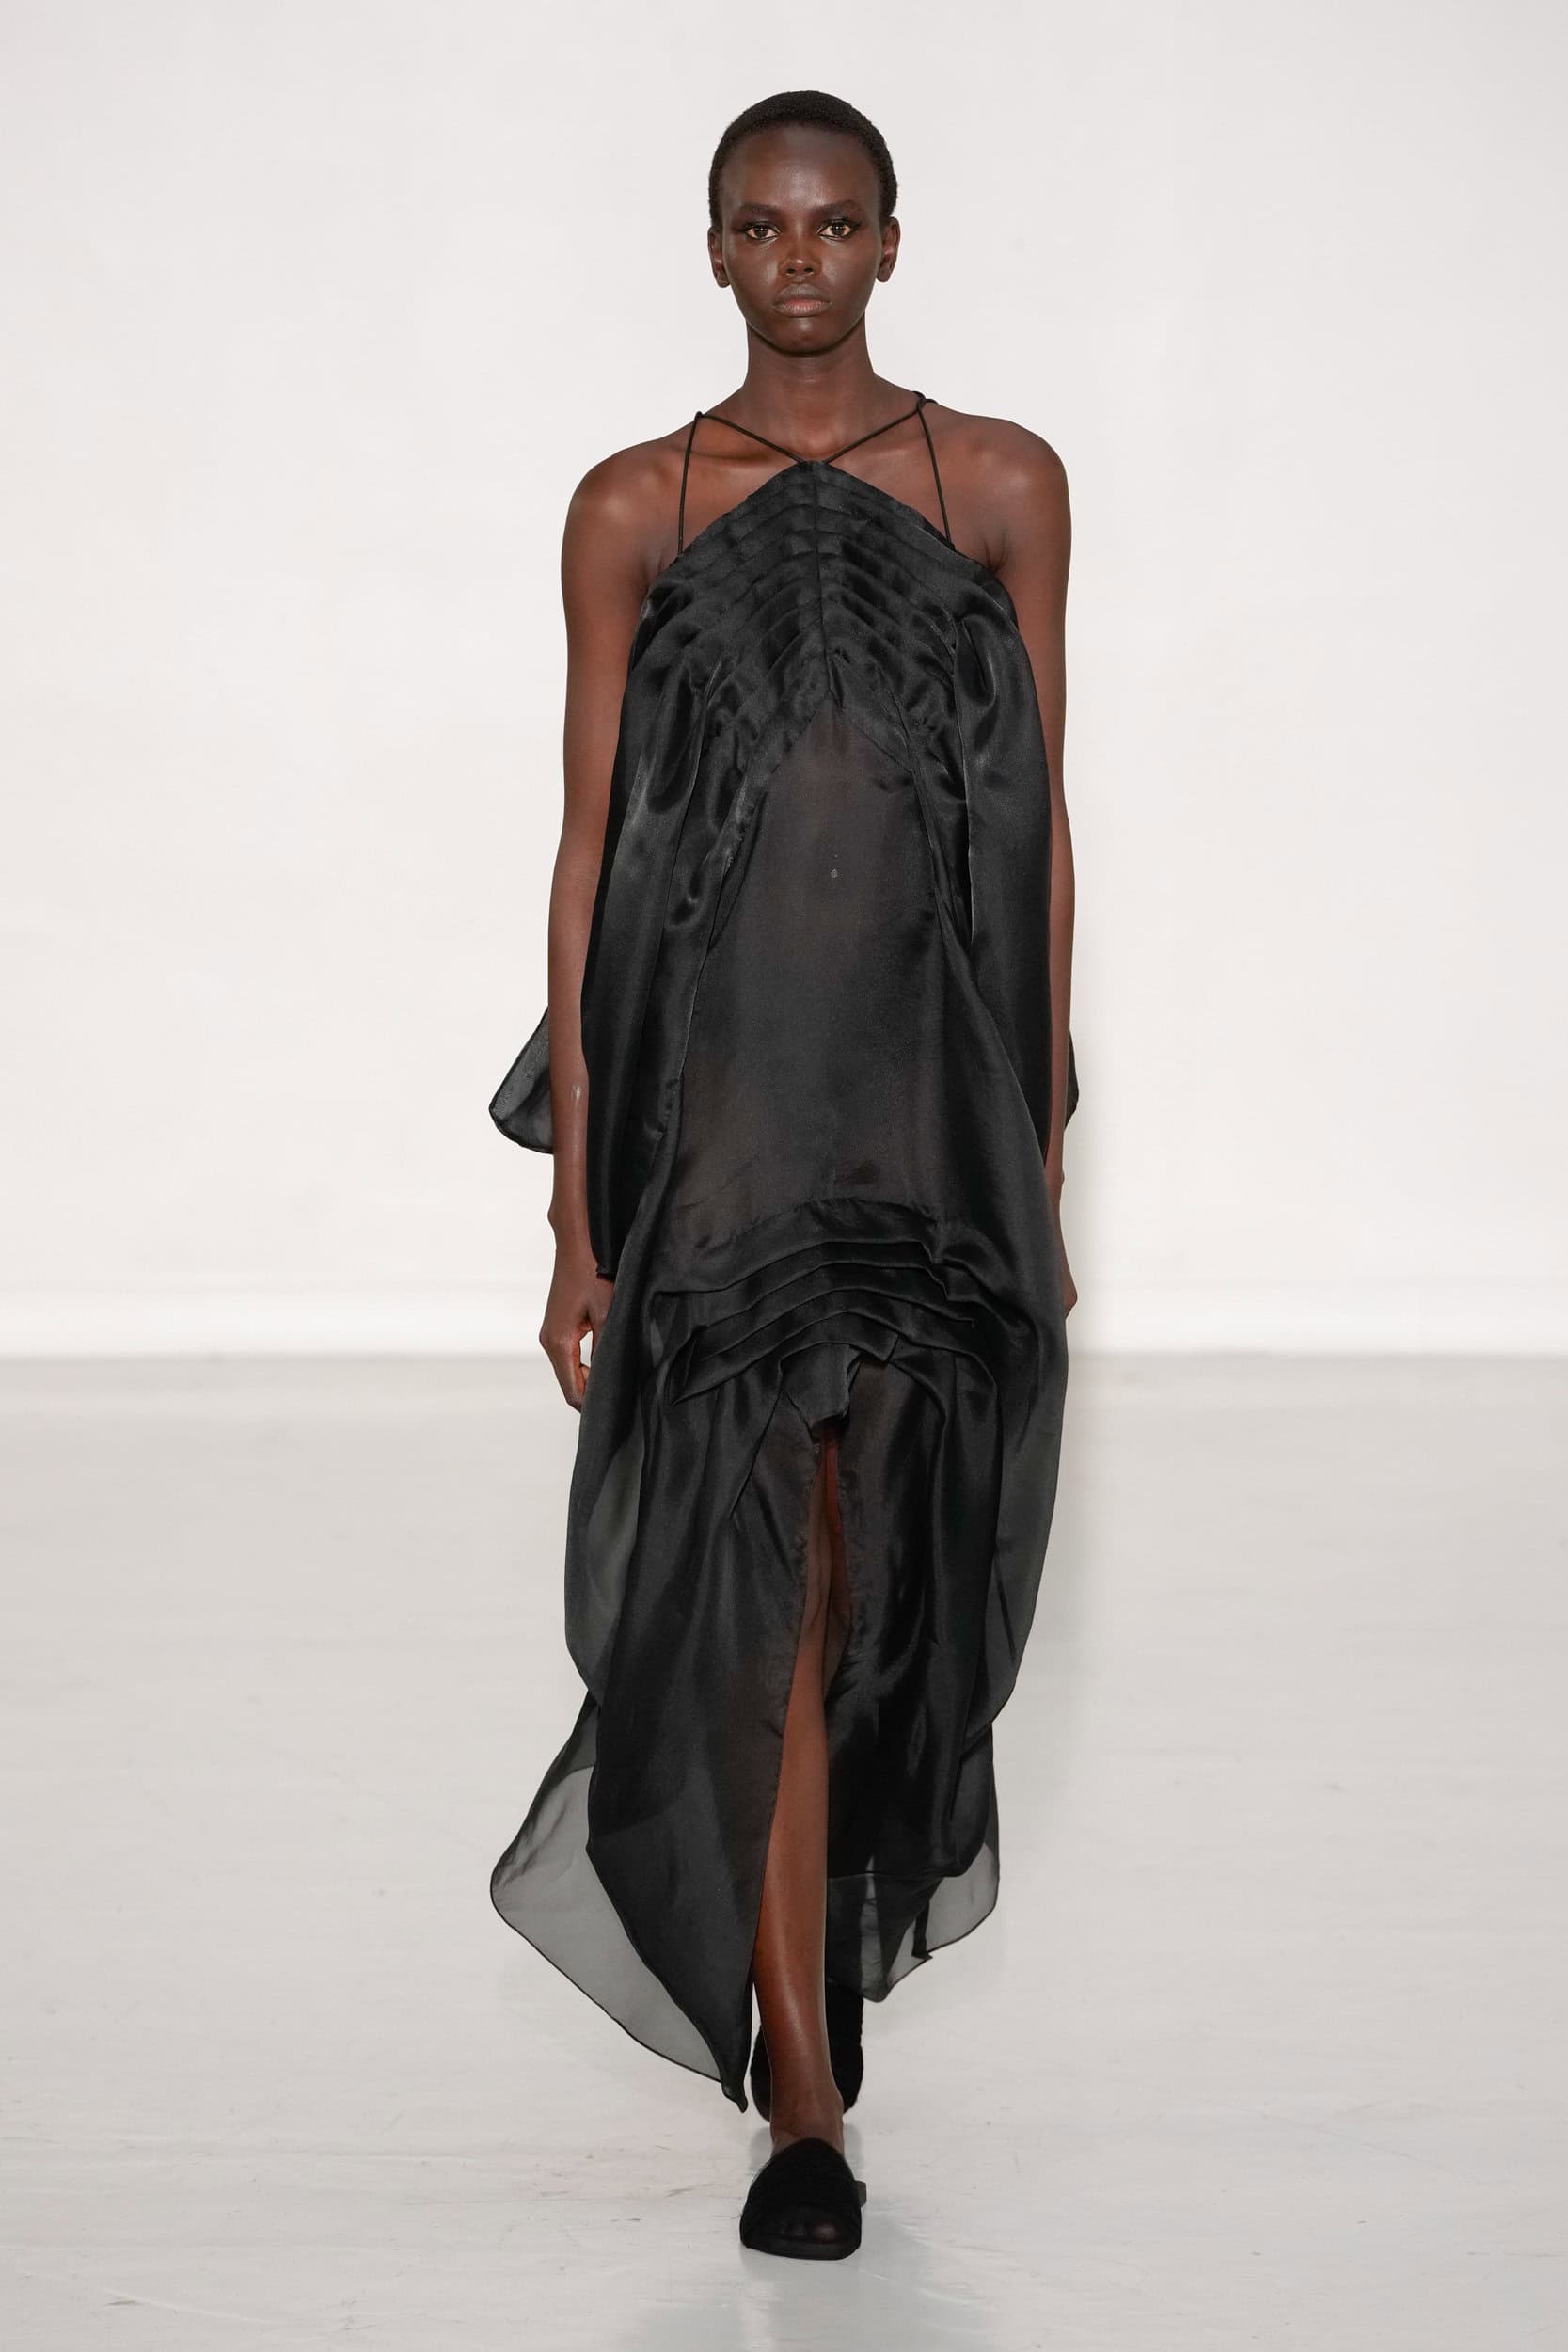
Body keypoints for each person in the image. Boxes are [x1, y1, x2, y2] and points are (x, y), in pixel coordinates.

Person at [486, 87, 1080, 2261]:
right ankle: (804, 2103)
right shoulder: (635, 505)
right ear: (716, 250)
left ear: (893, 241)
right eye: (760, 225)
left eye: (835, 224)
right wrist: (576, 1204)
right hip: (719, 1116)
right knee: (761, 1574)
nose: (799, 259)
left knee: (881, 1565)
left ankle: (814, 1972)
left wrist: (1037, 1145)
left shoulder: (998, 484)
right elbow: (590, 849)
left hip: (927, 1105)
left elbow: (1038, 820)